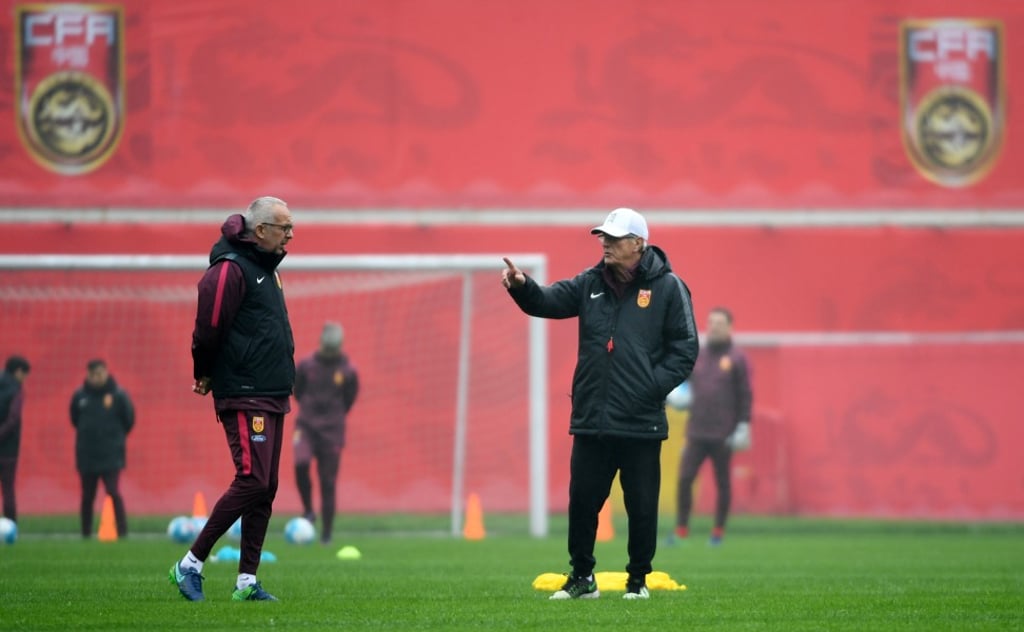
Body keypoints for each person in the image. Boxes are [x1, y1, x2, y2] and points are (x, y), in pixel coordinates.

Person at [503, 207, 698, 601]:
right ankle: (581, 579)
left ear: (638, 244)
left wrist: (650, 387)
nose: (605, 243)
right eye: (602, 237)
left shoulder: (669, 287)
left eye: (614, 238)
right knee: (583, 503)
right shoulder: (589, 283)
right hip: (593, 417)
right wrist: (522, 285)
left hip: (641, 419)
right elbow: (548, 301)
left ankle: (638, 581)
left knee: (642, 506)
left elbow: (685, 348)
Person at [170, 196, 296, 602]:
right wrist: (203, 372)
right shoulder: (229, 270)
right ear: (261, 231)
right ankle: (189, 563)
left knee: (267, 486)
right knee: (252, 480)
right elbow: (207, 329)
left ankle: (246, 581)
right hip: (245, 392)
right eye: (284, 227)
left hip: (271, 391)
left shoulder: (267, 271)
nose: (291, 234)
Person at [674, 307, 752, 546]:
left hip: (723, 433)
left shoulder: (737, 358)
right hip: (697, 430)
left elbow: (745, 394)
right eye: (711, 322)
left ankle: (718, 530)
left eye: (720, 323)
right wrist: (678, 395)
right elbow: (684, 383)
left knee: (722, 482)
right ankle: (682, 529)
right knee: (685, 478)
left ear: (730, 327)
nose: (714, 326)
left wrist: (743, 425)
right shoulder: (698, 354)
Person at [293, 321, 360, 544]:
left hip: (332, 430)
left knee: (328, 481)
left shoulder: (347, 371)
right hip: (306, 425)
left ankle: (326, 534)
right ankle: (308, 510)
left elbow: (349, 398)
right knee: (301, 464)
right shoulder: (306, 365)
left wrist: (335, 415)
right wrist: (310, 410)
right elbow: (297, 390)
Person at [70, 359, 135, 538]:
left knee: (113, 491)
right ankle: (85, 533)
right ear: (88, 375)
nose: (96, 377)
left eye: (100, 373)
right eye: (93, 374)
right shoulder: (80, 396)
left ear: (106, 373)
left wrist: (114, 439)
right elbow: (74, 419)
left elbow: (129, 420)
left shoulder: (119, 395)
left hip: (111, 454)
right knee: (87, 496)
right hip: (87, 454)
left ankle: (122, 532)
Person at [0, 355, 31, 522]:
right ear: (18, 372)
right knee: (8, 490)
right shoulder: (16, 391)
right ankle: (11, 526)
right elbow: (13, 419)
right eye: (25, 375)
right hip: (8, 450)